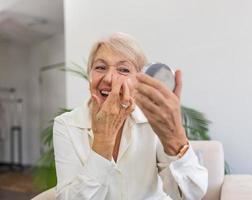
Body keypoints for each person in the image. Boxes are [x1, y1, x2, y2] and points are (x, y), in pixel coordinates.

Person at [53, 32, 208, 200]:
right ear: (90, 75)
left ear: (139, 81)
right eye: (100, 67)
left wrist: (174, 138)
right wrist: (102, 142)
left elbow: (190, 195)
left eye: (123, 70)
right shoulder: (66, 124)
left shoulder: (153, 120)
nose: (109, 78)